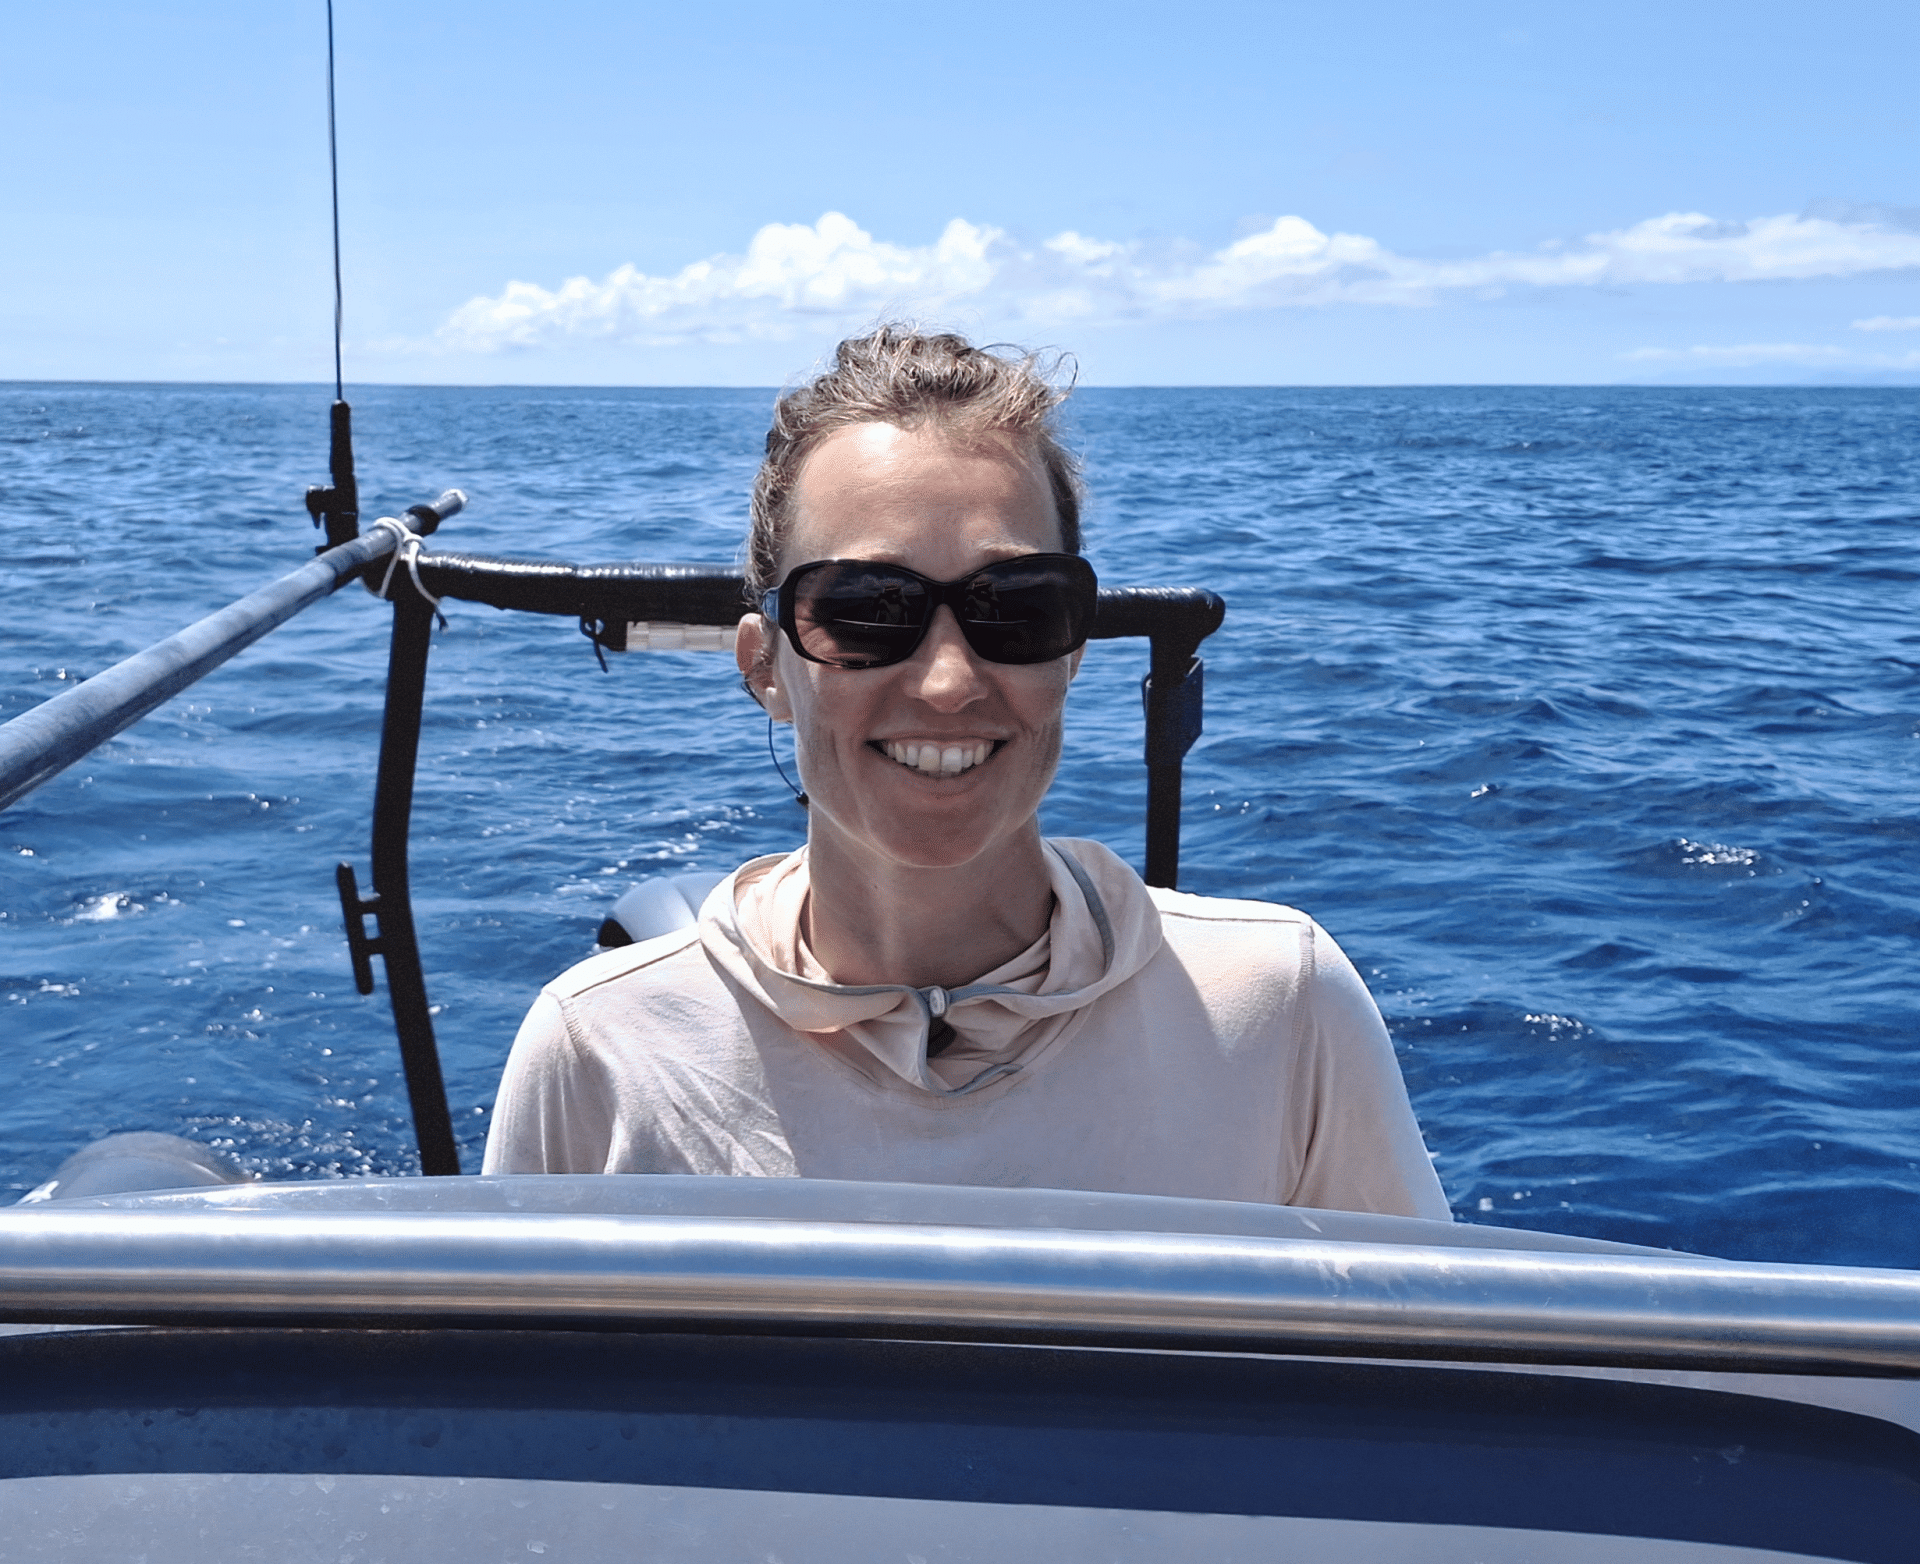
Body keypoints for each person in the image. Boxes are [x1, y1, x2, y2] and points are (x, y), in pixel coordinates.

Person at [483, 327, 1449, 1219]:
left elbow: (1434, 1385)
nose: (948, 681)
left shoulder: (1280, 1007)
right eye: (863, 608)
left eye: (1018, 607)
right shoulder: (600, 1049)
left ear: (1072, 652)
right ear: (764, 665)